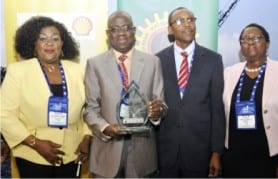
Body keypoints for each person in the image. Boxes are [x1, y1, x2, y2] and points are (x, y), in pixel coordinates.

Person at [0, 16, 91, 178]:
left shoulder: (78, 71)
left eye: (55, 39)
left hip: (71, 152)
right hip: (31, 153)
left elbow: (89, 108)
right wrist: (35, 143)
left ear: (62, 44)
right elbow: (4, 114)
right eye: (43, 38)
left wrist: (87, 137)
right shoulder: (17, 71)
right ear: (34, 44)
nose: (49, 43)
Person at [83, 11, 166, 178]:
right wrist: (106, 128)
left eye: (126, 27)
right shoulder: (95, 64)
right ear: (108, 34)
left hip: (142, 150)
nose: (121, 33)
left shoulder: (152, 62)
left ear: (134, 31)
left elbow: (160, 103)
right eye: (114, 29)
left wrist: (158, 112)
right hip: (107, 149)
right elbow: (90, 109)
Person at [222, 23, 278, 178]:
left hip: (273, 158)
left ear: (267, 44)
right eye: (245, 39)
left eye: (257, 38)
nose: (250, 42)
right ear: (241, 46)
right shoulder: (229, 73)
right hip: (234, 158)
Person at [155, 7, 225, 178]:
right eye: (180, 21)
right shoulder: (157, 60)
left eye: (191, 20)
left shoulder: (213, 60)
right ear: (170, 29)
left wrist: (216, 152)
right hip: (166, 152)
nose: (187, 24)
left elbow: (217, 110)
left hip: (200, 152)